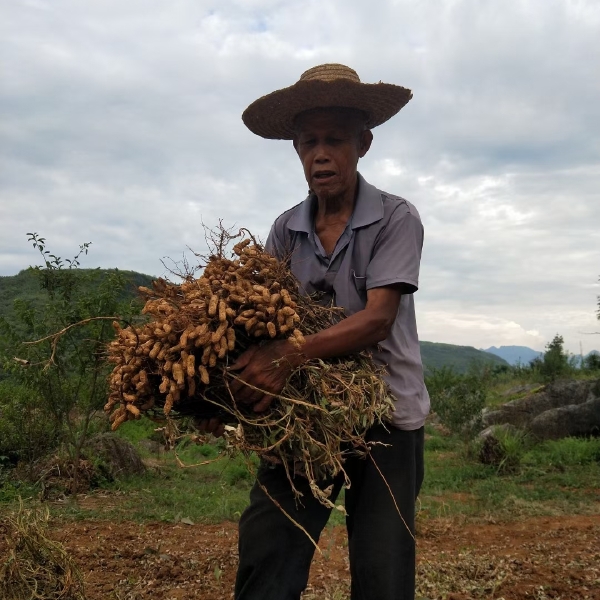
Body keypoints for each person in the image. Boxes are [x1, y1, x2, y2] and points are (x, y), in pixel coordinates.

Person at [205, 63, 430, 600]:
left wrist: (288, 355)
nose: (321, 154)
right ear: (296, 150)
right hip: (308, 410)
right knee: (269, 541)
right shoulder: (286, 229)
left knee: (383, 566)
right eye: (309, 142)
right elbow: (259, 317)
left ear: (363, 143)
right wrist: (221, 394)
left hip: (386, 415)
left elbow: (378, 319)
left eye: (335, 140)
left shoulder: (396, 217)